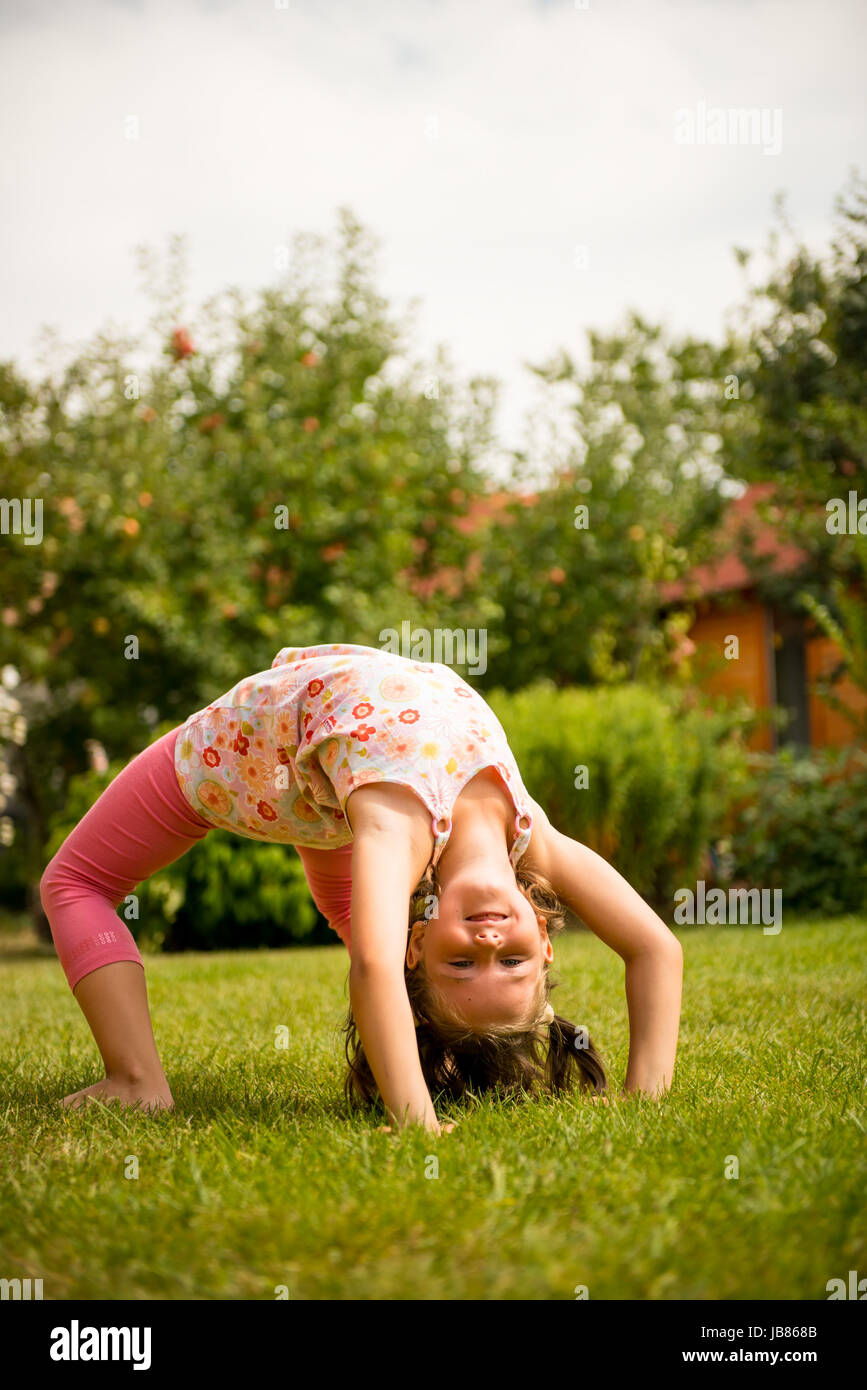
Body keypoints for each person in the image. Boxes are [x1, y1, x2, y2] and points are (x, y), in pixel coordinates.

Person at [40, 642, 683, 1135]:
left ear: (420, 941)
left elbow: (375, 963)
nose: (489, 939)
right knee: (358, 913)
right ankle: (417, 1050)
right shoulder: (528, 833)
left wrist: (417, 1123)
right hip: (331, 764)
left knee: (72, 883)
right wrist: (645, 1098)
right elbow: (657, 949)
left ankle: (135, 1080)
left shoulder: (398, 829)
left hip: (245, 759)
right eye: (509, 959)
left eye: (462, 962)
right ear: (543, 937)